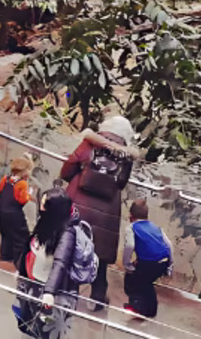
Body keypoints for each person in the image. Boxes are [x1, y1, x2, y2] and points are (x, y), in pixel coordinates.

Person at [59, 115, 137, 310]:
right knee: (99, 254)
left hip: (78, 205)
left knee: (71, 248)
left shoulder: (89, 143)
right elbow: (121, 182)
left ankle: (69, 294)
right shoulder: (126, 156)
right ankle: (98, 296)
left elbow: (67, 171)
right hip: (107, 212)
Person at [14, 188, 80, 339]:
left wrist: (49, 292)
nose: (41, 207)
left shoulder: (67, 233)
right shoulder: (46, 222)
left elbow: (60, 263)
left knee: (45, 330)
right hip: (33, 283)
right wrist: (21, 271)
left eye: (44, 204)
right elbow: (30, 246)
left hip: (49, 290)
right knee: (27, 324)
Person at [122, 199, 173, 318]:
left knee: (132, 279)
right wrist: (170, 265)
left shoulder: (132, 227)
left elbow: (129, 245)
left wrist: (127, 264)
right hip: (163, 262)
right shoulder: (156, 227)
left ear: (131, 216)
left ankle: (136, 306)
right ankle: (151, 310)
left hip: (150, 263)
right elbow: (169, 245)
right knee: (146, 283)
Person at [0, 157, 35, 271]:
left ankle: (4, 259)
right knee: (21, 238)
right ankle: (19, 262)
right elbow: (22, 199)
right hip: (15, 216)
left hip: (2, 213)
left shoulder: (5, 179)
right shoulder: (22, 184)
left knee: (6, 236)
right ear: (25, 171)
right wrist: (29, 195)